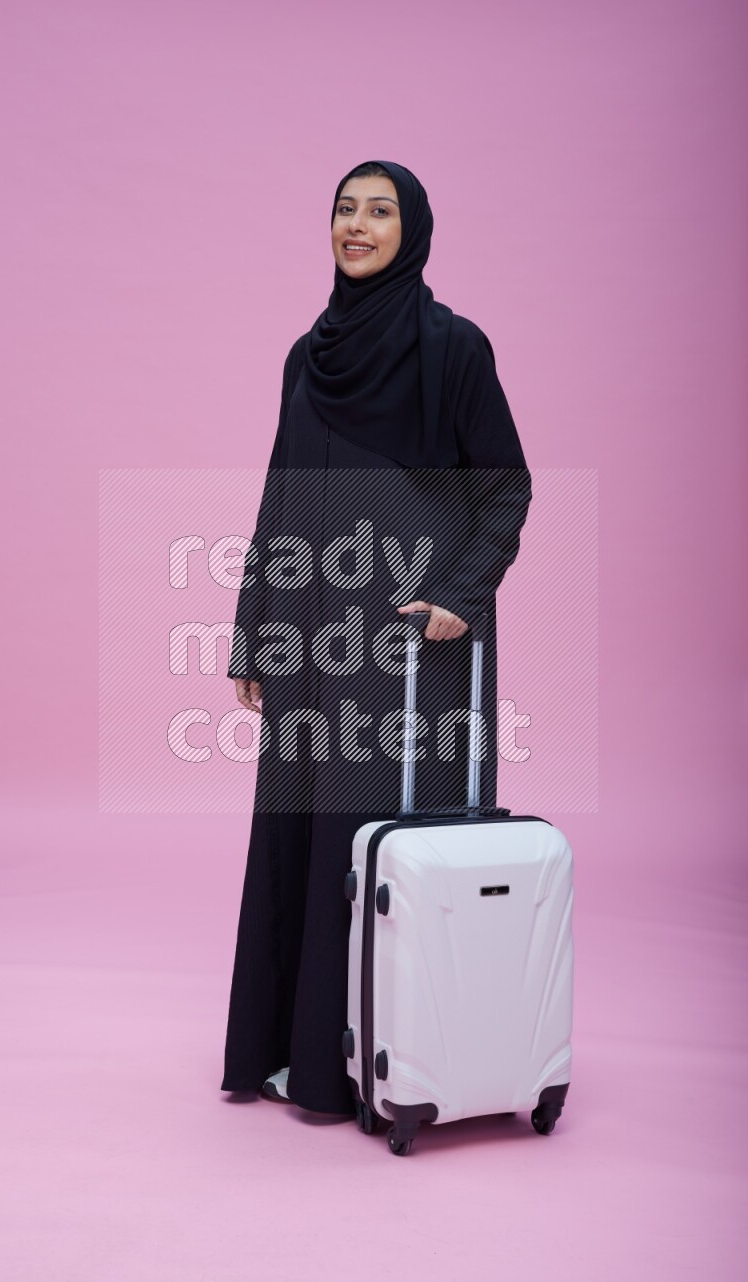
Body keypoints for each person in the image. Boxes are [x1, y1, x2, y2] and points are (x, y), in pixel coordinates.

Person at [220, 160, 531, 1117]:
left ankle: (396, 1061)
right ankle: (299, 1058)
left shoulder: (453, 350)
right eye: (344, 210)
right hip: (310, 641)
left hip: (405, 647)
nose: (357, 226)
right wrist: (251, 633)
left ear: (414, 228)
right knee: (297, 834)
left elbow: (505, 485)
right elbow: (280, 495)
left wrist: (457, 594)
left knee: (378, 842)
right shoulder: (307, 355)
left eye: (379, 211)